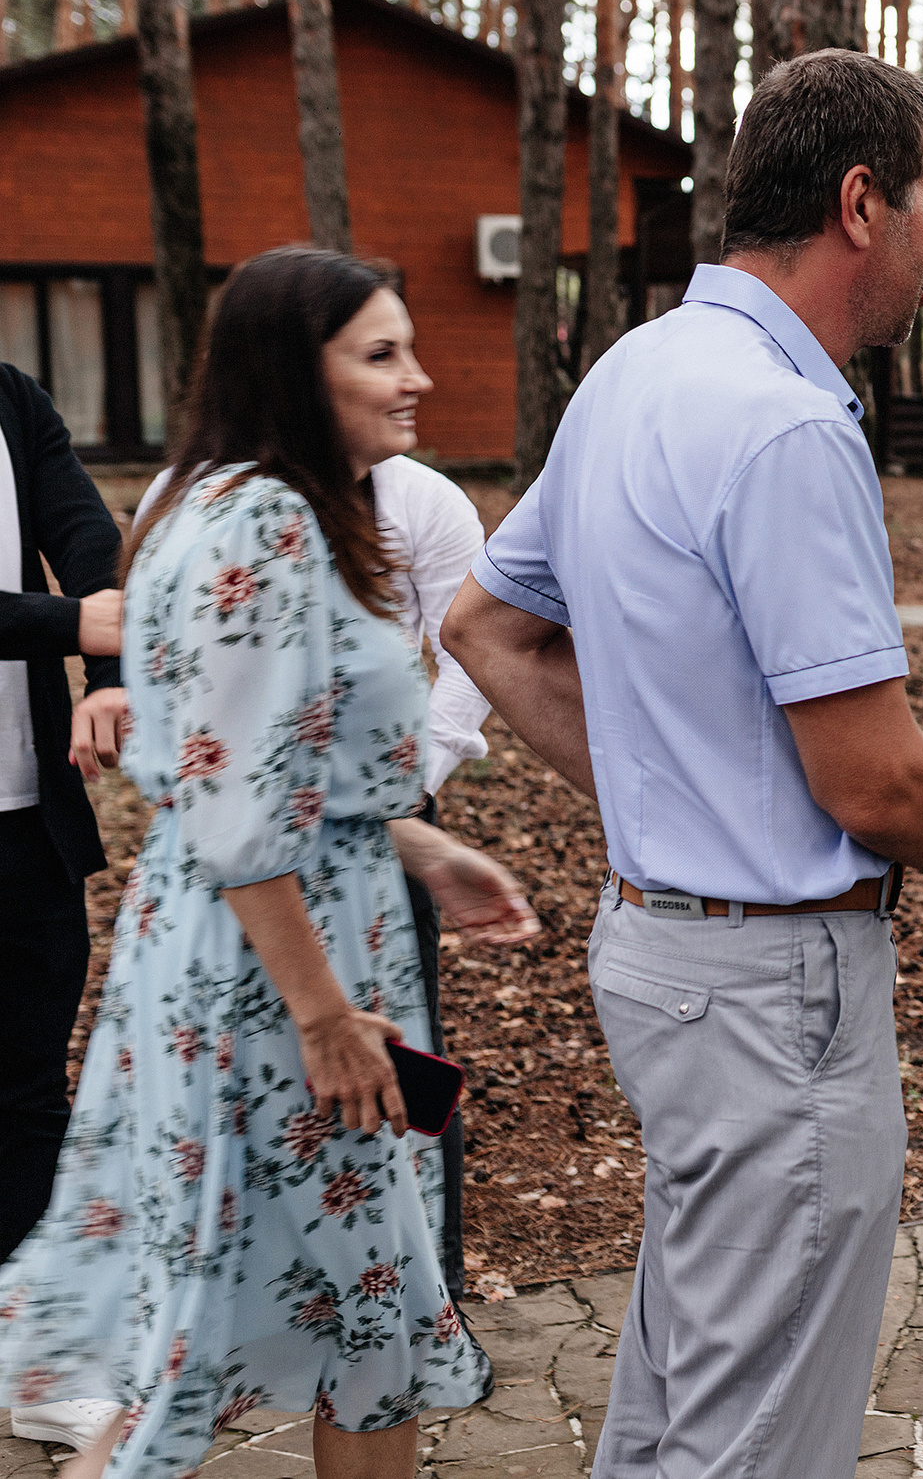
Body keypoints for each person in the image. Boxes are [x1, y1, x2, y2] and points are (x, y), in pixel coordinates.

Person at [441, 48, 923, 1479]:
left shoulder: (638, 373)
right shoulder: (789, 421)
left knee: (682, 1389)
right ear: (861, 204)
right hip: (773, 997)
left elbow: (485, 629)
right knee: (757, 1436)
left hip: (663, 960)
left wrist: (671, 810)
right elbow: (877, 781)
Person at [0, 246, 541, 1479]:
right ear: (296, 372)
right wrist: (326, 1017)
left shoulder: (232, 499)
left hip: (273, 945)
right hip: (270, 984)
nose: (419, 380)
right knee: (238, 1338)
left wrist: (417, 842)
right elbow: (239, 814)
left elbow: (249, 757)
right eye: (380, 354)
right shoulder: (262, 524)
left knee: (364, 1320)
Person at [118, 434, 495, 1294]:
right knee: (234, 1082)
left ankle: (420, 1292)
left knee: (401, 1061)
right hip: (225, 857)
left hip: (381, 834)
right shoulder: (191, 504)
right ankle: (239, 1308)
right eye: (378, 353)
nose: (415, 379)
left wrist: (405, 789)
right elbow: (165, 674)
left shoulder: (427, 500)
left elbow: (469, 652)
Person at [0, 362, 131, 1459]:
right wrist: (74, 625)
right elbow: (76, 607)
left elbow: (86, 530)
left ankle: (39, 1370)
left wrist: (114, 663)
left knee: (33, 1092)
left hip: (25, 822)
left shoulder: (11, 396)